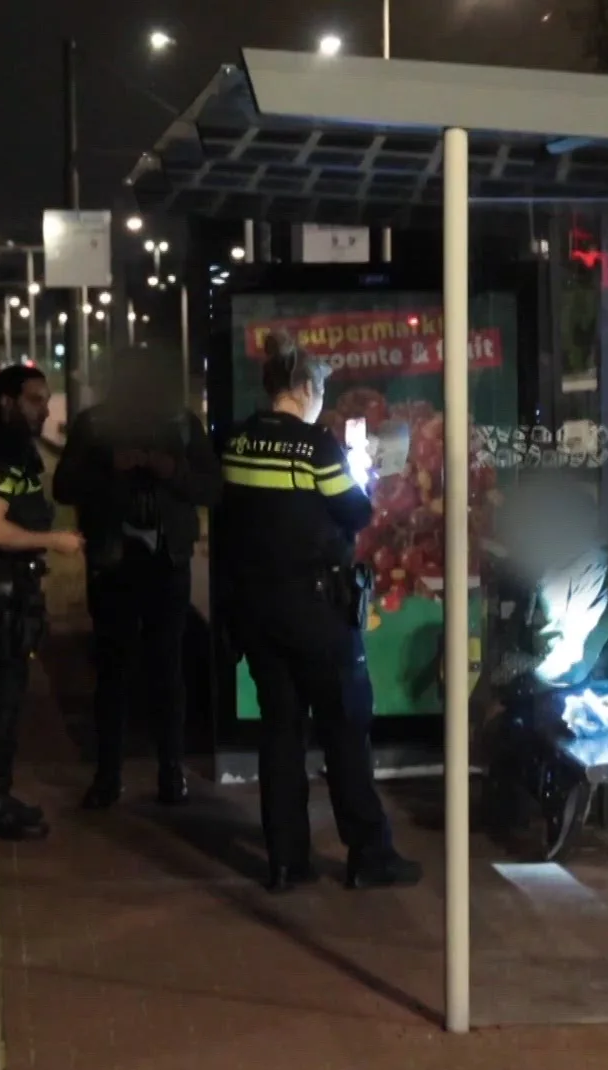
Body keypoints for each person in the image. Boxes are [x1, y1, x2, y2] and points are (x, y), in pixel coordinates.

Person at [213, 335, 422, 894]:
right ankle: (369, 854)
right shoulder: (315, 447)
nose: (321, 398)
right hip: (316, 613)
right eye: (321, 388)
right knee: (344, 729)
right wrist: (360, 468)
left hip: (257, 611)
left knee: (280, 734)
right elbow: (354, 512)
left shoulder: (236, 441)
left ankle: (287, 861)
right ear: (304, 387)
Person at [54, 346, 222, 809]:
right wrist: (111, 465)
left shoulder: (183, 424)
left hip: (168, 560)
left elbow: (212, 488)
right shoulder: (94, 425)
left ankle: (172, 773)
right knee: (113, 670)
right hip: (113, 560)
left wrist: (172, 469)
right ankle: (109, 776)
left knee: (167, 668)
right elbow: (63, 485)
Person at [0, 365, 84, 841]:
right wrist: (55, 540)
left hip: (8, 586)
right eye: (34, 399)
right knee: (2, 698)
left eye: (45, 399)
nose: (45, 408)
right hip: (2, 588)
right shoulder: (0, 449)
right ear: (7, 400)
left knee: (7, 695)